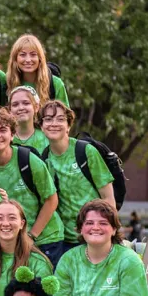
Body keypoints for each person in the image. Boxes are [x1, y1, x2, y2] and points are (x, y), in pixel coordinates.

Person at [0, 107, 64, 265]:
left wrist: (31, 236)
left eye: (3, 130)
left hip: (45, 237)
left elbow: (51, 200)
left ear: (12, 135)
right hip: (12, 241)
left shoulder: (28, 161)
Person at [40, 101, 114, 253]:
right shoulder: (44, 159)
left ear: (68, 126)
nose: (54, 123)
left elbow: (108, 199)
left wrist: (109, 235)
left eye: (60, 119)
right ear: (41, 126)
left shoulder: (85, 151)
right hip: (64, 242)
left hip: (94, 238)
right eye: (48, 119)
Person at [6, 34, 69, 107]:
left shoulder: (56, 83)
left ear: (40, 58)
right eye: (23, 55)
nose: (28, 60)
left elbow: (66, 116)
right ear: (15, 59)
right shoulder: (7, 81)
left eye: (33, 55)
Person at [9, 86, 49, 154]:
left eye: (26, 103)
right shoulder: (4, 137)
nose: (21, 108)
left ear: (36, 107)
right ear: (10, 110)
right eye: (15, 105)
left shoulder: (47, 138)